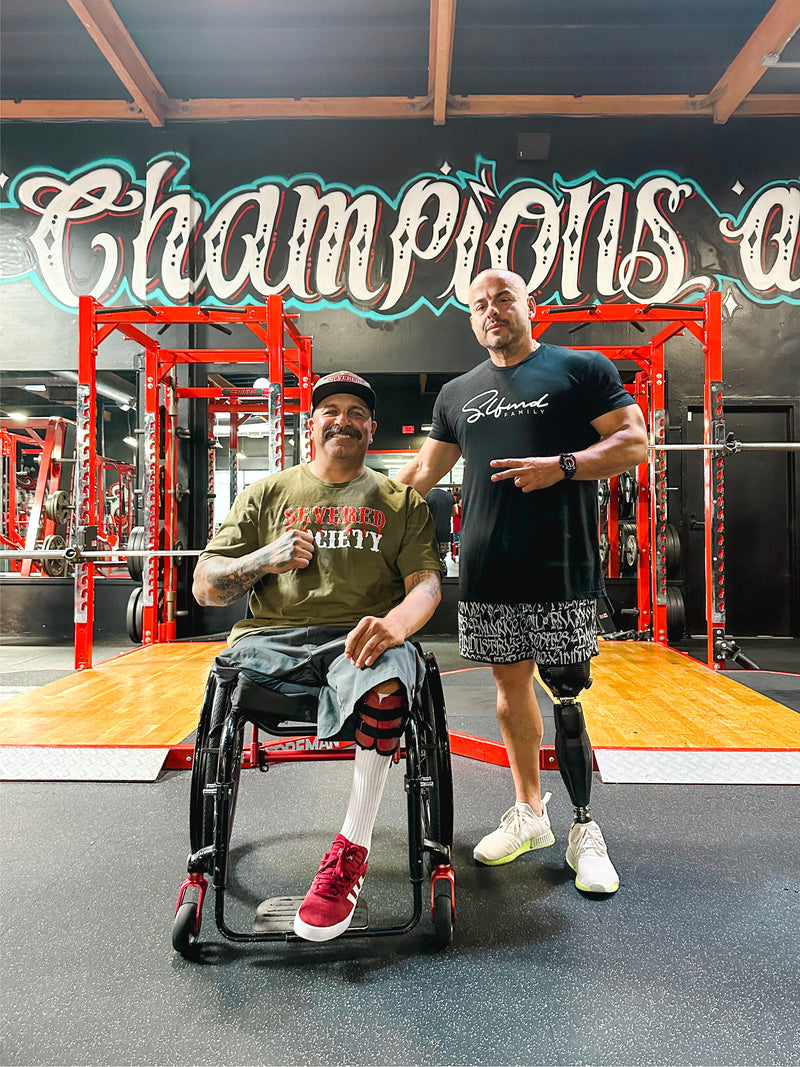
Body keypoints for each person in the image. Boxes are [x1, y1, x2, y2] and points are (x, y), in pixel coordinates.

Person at [396, 269, 648, 895]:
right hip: (489, 568)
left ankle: (585, 828)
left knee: (565, 693)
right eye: (479, 305)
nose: (491, 311)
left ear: (528, 306)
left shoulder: (579, 369)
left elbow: (635, 443)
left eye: (503, 298)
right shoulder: (457, 394)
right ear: (471, 320)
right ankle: (531, 812)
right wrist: (334, 502)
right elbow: (422, 474)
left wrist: (562, 466)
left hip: (559, 565)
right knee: (509, 691)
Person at [192, 370, 441, 941]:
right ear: (311, 425)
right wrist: (263, 559)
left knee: (390, 681)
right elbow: (206, 586)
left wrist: (394, 625)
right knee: (228, 685)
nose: (344, 419)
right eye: (331, 409)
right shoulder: (266, 495)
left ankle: (351, 847)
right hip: (271, 639)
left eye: (357, 412)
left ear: (371, 428)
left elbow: (426, 584)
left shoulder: (399, 501)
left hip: (359, 637)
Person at [425, 486, 455, 578]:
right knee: (442, 553)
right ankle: (442, 565)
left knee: (431, 553)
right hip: (445, 530)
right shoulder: (449, 496)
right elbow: (455, 512)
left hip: (431, 531)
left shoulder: (428, 496)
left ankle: (433, 571)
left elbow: (424, 513)